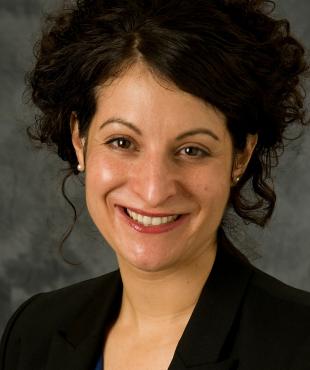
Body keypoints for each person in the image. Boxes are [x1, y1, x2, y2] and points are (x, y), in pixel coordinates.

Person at [1, 0, 310, 369]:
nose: (153, 189)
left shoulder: (299, 345)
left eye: (192, 150)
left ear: (241, 155)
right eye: (122, 143)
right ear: (80, 140)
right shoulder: (33, 334)